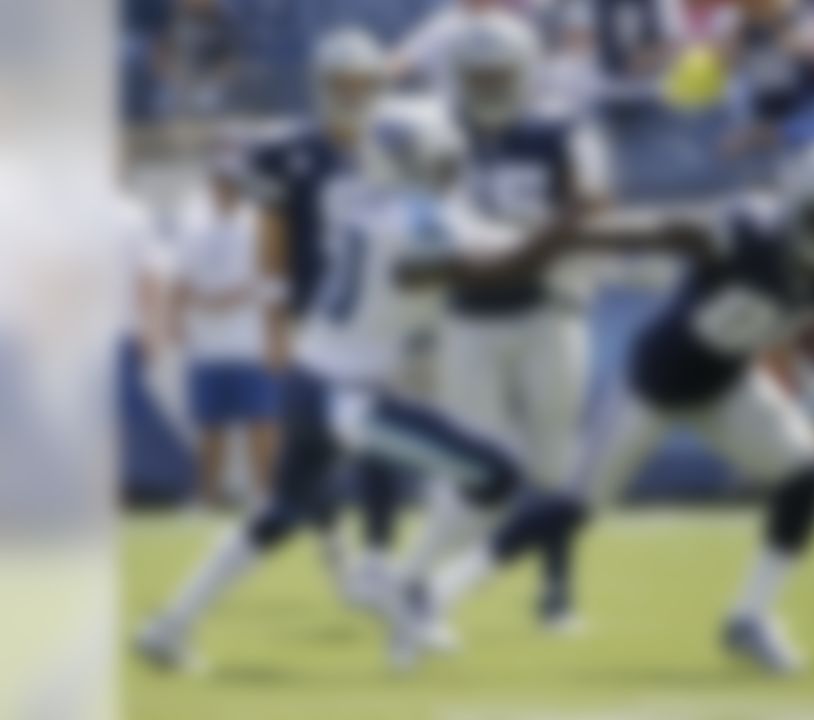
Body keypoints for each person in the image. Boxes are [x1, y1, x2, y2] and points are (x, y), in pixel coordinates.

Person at [405, 134, 814, 675]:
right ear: (798, 199)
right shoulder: (743, 229)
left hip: (727, 384)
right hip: (653, 382)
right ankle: (437, 593)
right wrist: (559, 236)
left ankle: (750, 616)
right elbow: (650, 231)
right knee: (577, 505)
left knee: (806, 477)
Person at [134, 94, 582, 671]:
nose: (452, 169)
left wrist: (569, 235)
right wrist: (570, 231)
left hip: (309, 379)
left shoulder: (371, 204)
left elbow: (488, 237)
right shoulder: (418, 217)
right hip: (352, 399)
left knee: (278, 516)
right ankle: (407, 590)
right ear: (420, 160)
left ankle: (170, 626)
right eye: (443, 159)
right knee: (494, 476)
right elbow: (498, 264)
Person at [396, 11, 613, 634]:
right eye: (477, 73)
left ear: (526, 72)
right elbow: (417, 219)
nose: (488, 83)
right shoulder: (437, 131)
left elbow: (593, 204)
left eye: (500, 72)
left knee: (554, 463)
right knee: (467, 466)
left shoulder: (560, 128)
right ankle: (420, 591)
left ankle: (556, 595)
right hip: (468, 317)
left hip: (549, 309)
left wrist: (529, 250)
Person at [245, 27, 399, 606]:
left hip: (381, 320)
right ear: (321, 85)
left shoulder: (398, 144)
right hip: (317, 323)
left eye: (364, 83)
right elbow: (271, 251)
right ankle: (336, 549)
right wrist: (273, 328)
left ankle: (380, 560)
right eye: (343, 83)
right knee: (312, 452)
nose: (354, 93)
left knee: (382, 441)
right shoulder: (287, 152)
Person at [172, 146, 277, 508]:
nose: (225, 187)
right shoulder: (193, 222)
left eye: (232, 181)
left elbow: (266, 278)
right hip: (207, 342)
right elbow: (180, 276)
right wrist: (177, 317)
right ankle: (207, 496)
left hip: (250, 341)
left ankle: (264, 495)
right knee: (209, 425)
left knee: (261, 421)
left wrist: (220, 300)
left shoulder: (258, 222)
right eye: (219, 180)